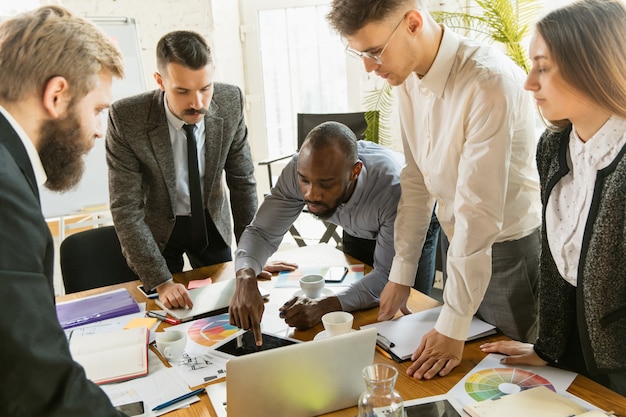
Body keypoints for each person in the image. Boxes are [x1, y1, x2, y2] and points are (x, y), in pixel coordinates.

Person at [327, 0, 542, 380]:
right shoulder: (407, 77)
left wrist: (453, 323)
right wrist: (401, 272)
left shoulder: (488, 82)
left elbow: (478, 213)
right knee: (456, 377)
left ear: (412, 23)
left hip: (507, 253)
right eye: (360, 53)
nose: (369, 67)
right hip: (456, 245)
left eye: (375, 51)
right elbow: (416, 180)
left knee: (510, 384)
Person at [481, 0, 626, 397]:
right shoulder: (554, 145)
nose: (529, 82)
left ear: (592, 65)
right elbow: (556, 262)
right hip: (573, 360)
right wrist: (548, 351)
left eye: (543, 67)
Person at [0, 6, 127, 416]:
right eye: (97, 109)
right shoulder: (4, 192)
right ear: (56, 96)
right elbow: (39, 389)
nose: (98, 130)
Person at [229, 121, 440, 344]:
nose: (311, 195)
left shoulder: (394, 190)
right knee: (355, 319)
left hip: (410, 225)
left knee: (406, 317)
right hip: (357, 225)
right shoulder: (296, 171)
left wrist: (325, 305)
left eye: (325, 184)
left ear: (354, 172)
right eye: (304, 180)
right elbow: (262, 231)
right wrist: (245, 277)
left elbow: (389, 277)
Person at [106, 30, 257, 310]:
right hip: (158, 228)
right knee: (166, 310)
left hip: (211, 222)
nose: (197, 103)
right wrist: (161, 282)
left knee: (225, 307)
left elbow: (242, 182)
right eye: (183, 91)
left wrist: (253, 257)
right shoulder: (127, 118)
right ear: (160, 81)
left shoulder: (230, 101)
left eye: (205, 88)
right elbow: (125, 207)